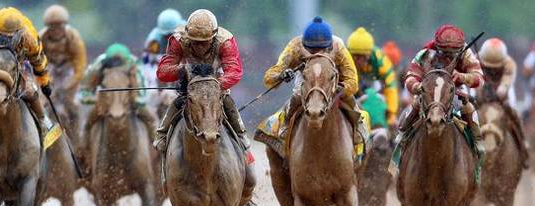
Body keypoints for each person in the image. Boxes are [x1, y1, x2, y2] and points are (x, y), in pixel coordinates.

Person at [153, 9, 249, 152]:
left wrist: (215, 85)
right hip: (190, 86)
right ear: (188, 36)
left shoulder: (226, 42)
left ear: (214, 37)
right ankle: (162, 134)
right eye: (195, 42)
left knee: (227, 101)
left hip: (216, 85)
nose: (199, 47)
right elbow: (162, 71)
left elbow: (234, 72)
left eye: (204, 43)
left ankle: (241, 137)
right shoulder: (178, 40)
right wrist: (181, 70)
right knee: (178, 102)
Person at [263, 16, 366, 145]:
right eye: (312, 50)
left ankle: (359, 129)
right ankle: (285, 125)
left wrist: (340, 88)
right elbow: (269, 77)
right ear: (304, 44)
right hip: (306, 81)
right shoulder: (295, 46)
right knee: (296, 97)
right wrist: (281, 75)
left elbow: (353, 82)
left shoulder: (338, 47)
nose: (316, 54)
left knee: (350, 100)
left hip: (332, 82)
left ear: (329, 46)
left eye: (321, 50)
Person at [401, 24, 485, 155]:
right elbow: (410, 76)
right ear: (437, 46)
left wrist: (462, 77)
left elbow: (479, 78)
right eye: (445, 52)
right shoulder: (425, 54)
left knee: (468, 107)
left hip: (454, 92)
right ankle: (402, 136)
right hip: (429, 92)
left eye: (453, 53)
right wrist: (418, 87)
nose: (449, 56)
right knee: (415, 105)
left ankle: (477, 142)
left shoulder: (466, 53)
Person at [80, 43, 157, 143]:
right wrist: (96, 99)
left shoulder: (134, 64)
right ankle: (83, 148)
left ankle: (157, 144)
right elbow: (85, 90)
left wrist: (135, 100)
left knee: (150, 118)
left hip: (129, 99)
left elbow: (143, 92)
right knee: (88, 123)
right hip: (105, 101)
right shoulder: (98, 65)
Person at [478, 37, 529, 168]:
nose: (492, 70)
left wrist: (498, 93)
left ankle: (523, 144)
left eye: (495, 67)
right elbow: (475, 82)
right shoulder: (476, 61)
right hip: (483, 90)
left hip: (503, 93)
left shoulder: (510, 64)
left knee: (512, 111)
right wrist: (481, 93)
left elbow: (505, 85)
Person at [40, 4, 87, 122]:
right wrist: (48, 80)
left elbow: (80, 65)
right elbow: (38, 61)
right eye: (52, 27)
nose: (56, 30)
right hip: (49, 68)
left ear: (64, 25)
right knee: (43, 102)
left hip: (68, 68)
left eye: (59, 26)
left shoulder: (73, 37)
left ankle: (78, 131)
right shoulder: (41, 38)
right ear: (47, 27)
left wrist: (70, 83)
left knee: (74, 103)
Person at [347, 27, 399, 128]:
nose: (359, 61)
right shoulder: (345, 57)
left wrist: (392, 114)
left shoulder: (380, 59)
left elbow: (391, 86)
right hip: (355, 89)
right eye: (356, 57)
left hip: (375, 90)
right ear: (350, 54)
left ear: (370, 54)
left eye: (364, 57)